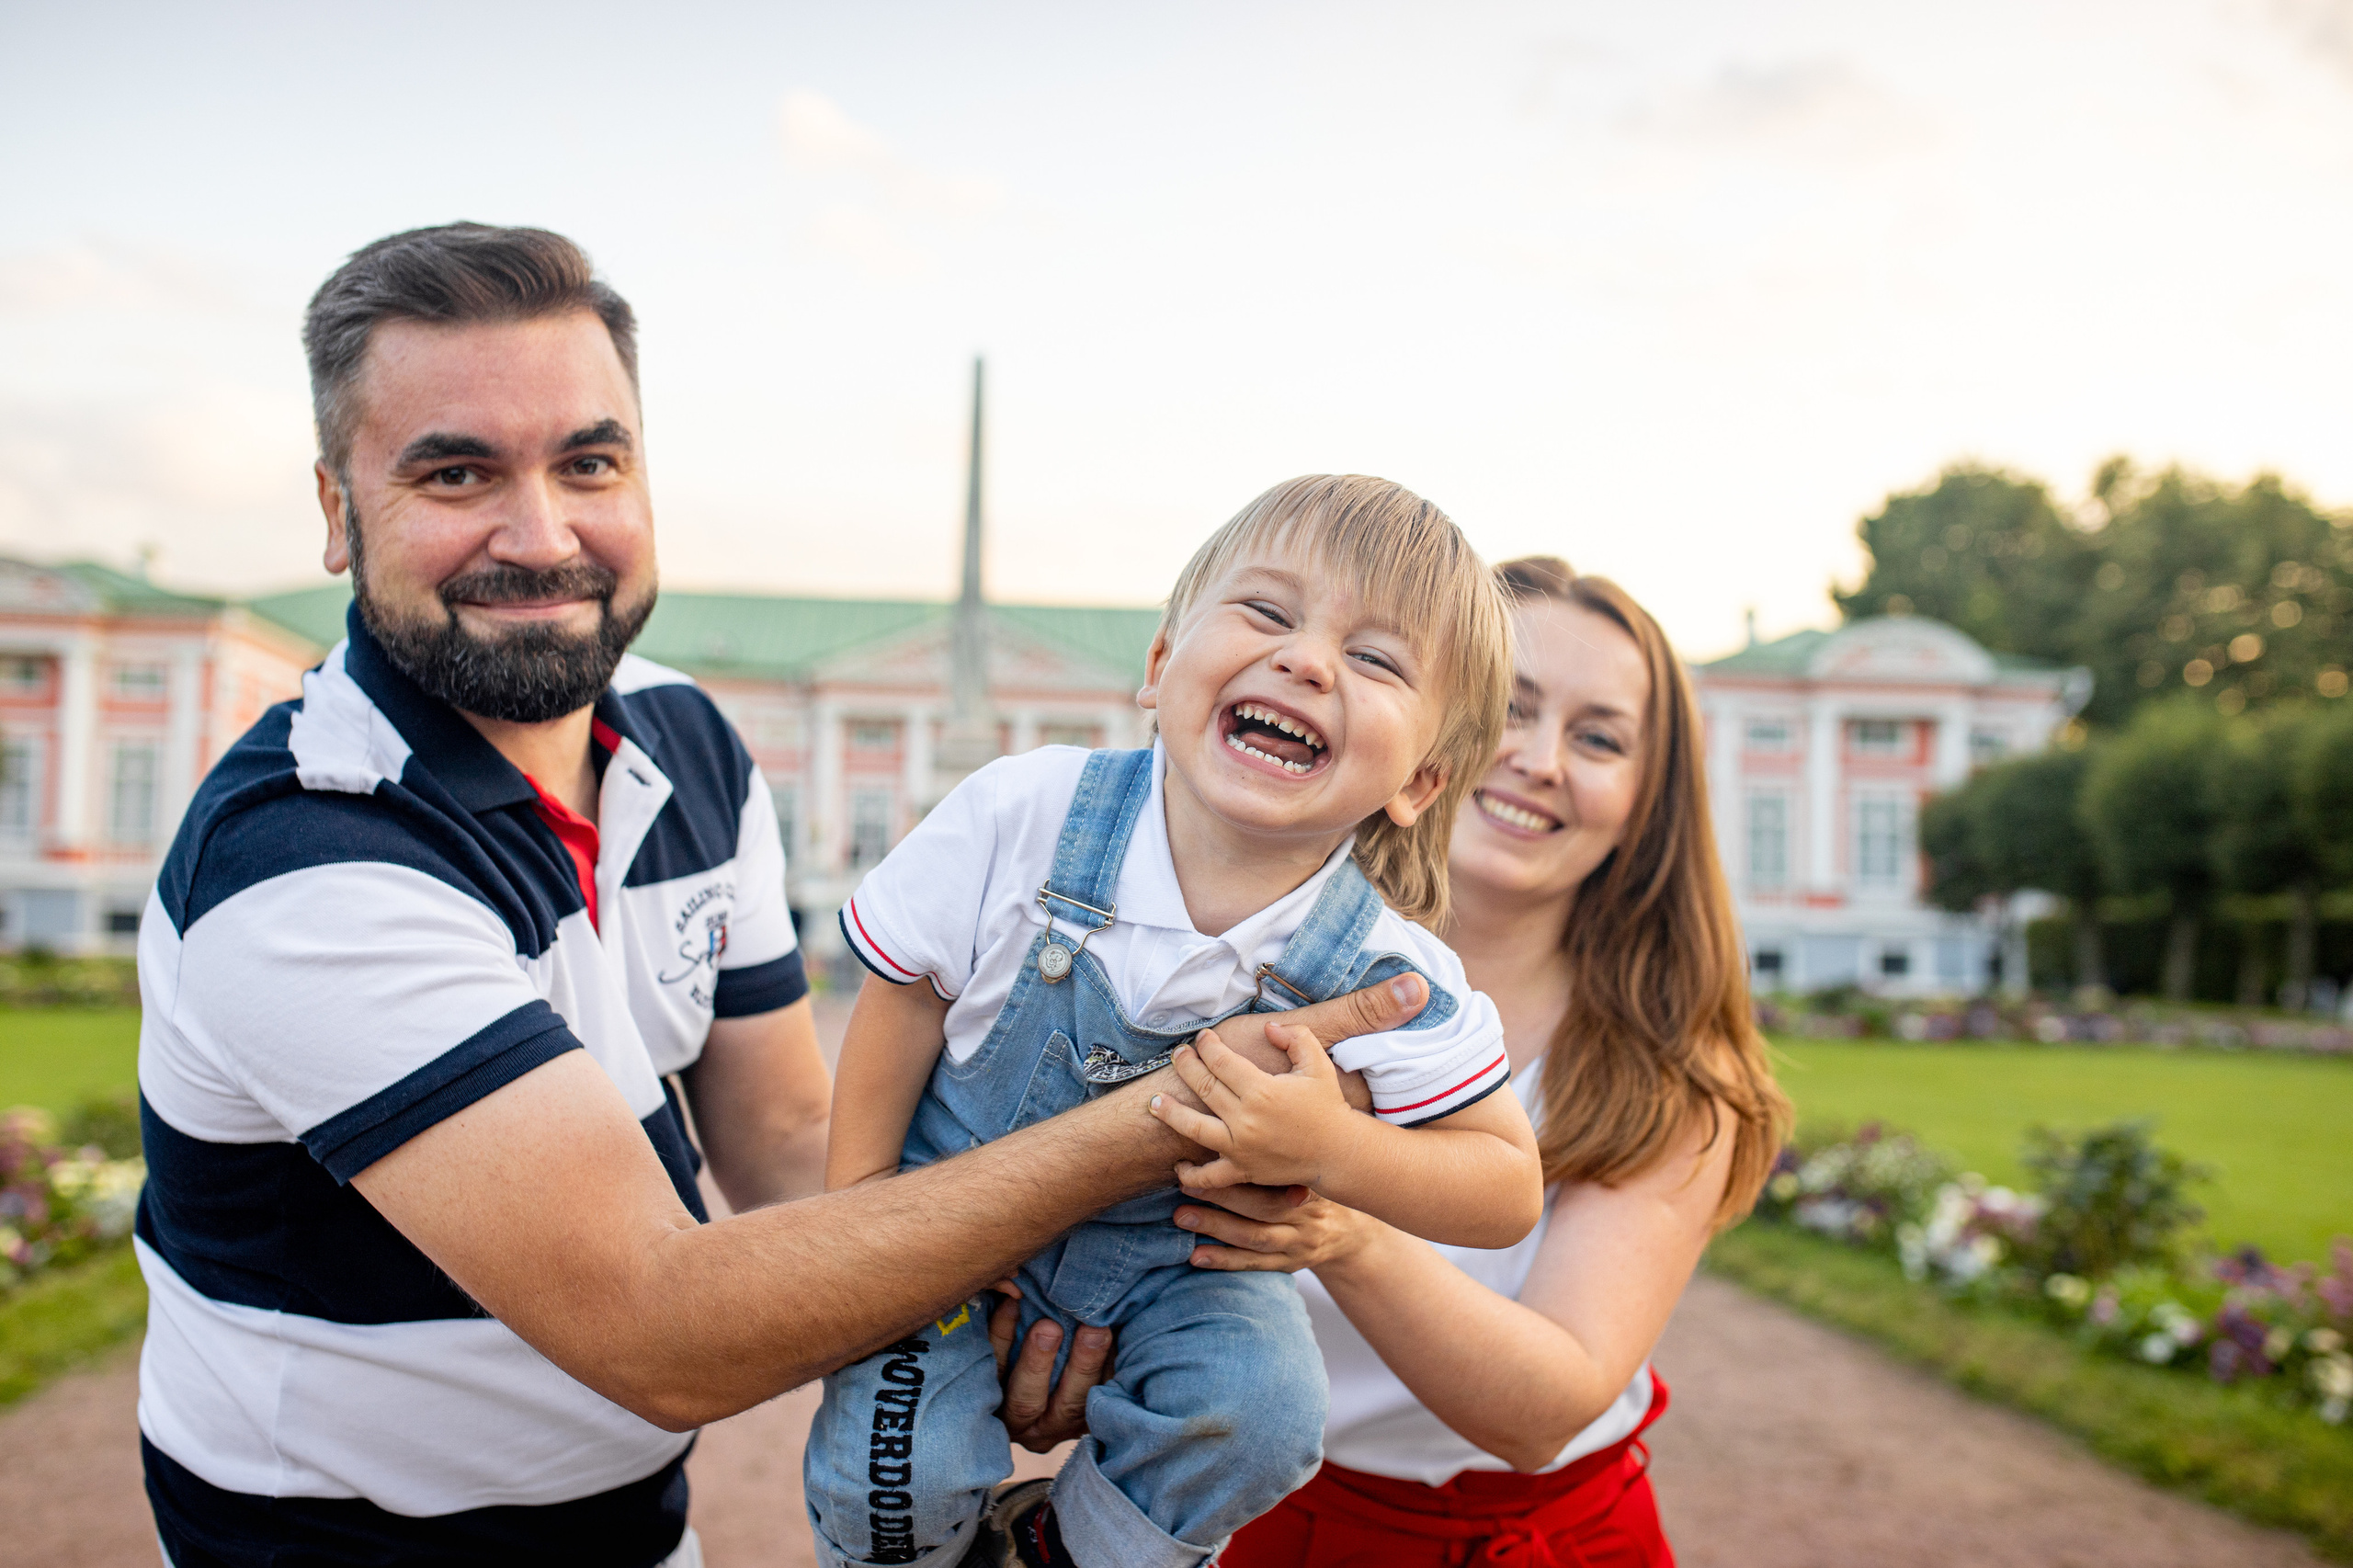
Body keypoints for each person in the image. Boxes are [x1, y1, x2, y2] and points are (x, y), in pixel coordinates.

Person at [131, 222, 1427, 1568]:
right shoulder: (304, 858)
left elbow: (787, 1134)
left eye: (590, 462)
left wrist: (1048, 1298)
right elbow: (663, 1327)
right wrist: (1169, 1119)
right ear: (340, 511)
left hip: (635, 1534)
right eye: (457, 471)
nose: (543, 532)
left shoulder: (685, 741)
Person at [812, 476, 1544, 1568]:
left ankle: (1070, 1548)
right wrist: (860, 1212)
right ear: (1160, 667)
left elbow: (1503, 1185)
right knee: (893, 1466)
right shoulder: (1025, 812)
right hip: (952, 1234)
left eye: (1376, 659)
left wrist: (1337, 1148)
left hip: (1188, 1281)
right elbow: (904, 997)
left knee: (1261, 1412)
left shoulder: (1389, 967)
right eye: (1266, 611)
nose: (1306, 659)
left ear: (1422, 779)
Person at [1174, 558, 1792, 1567]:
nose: (1541, 758)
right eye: (1511, 706)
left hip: (1540, 1538)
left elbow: (1544, 1405)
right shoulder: (1235, 962)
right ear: (1426, 731)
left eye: (1597, 738)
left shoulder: (1670, 1075)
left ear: (1644, 799)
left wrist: (1339, 1220)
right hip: (1255, 1518)